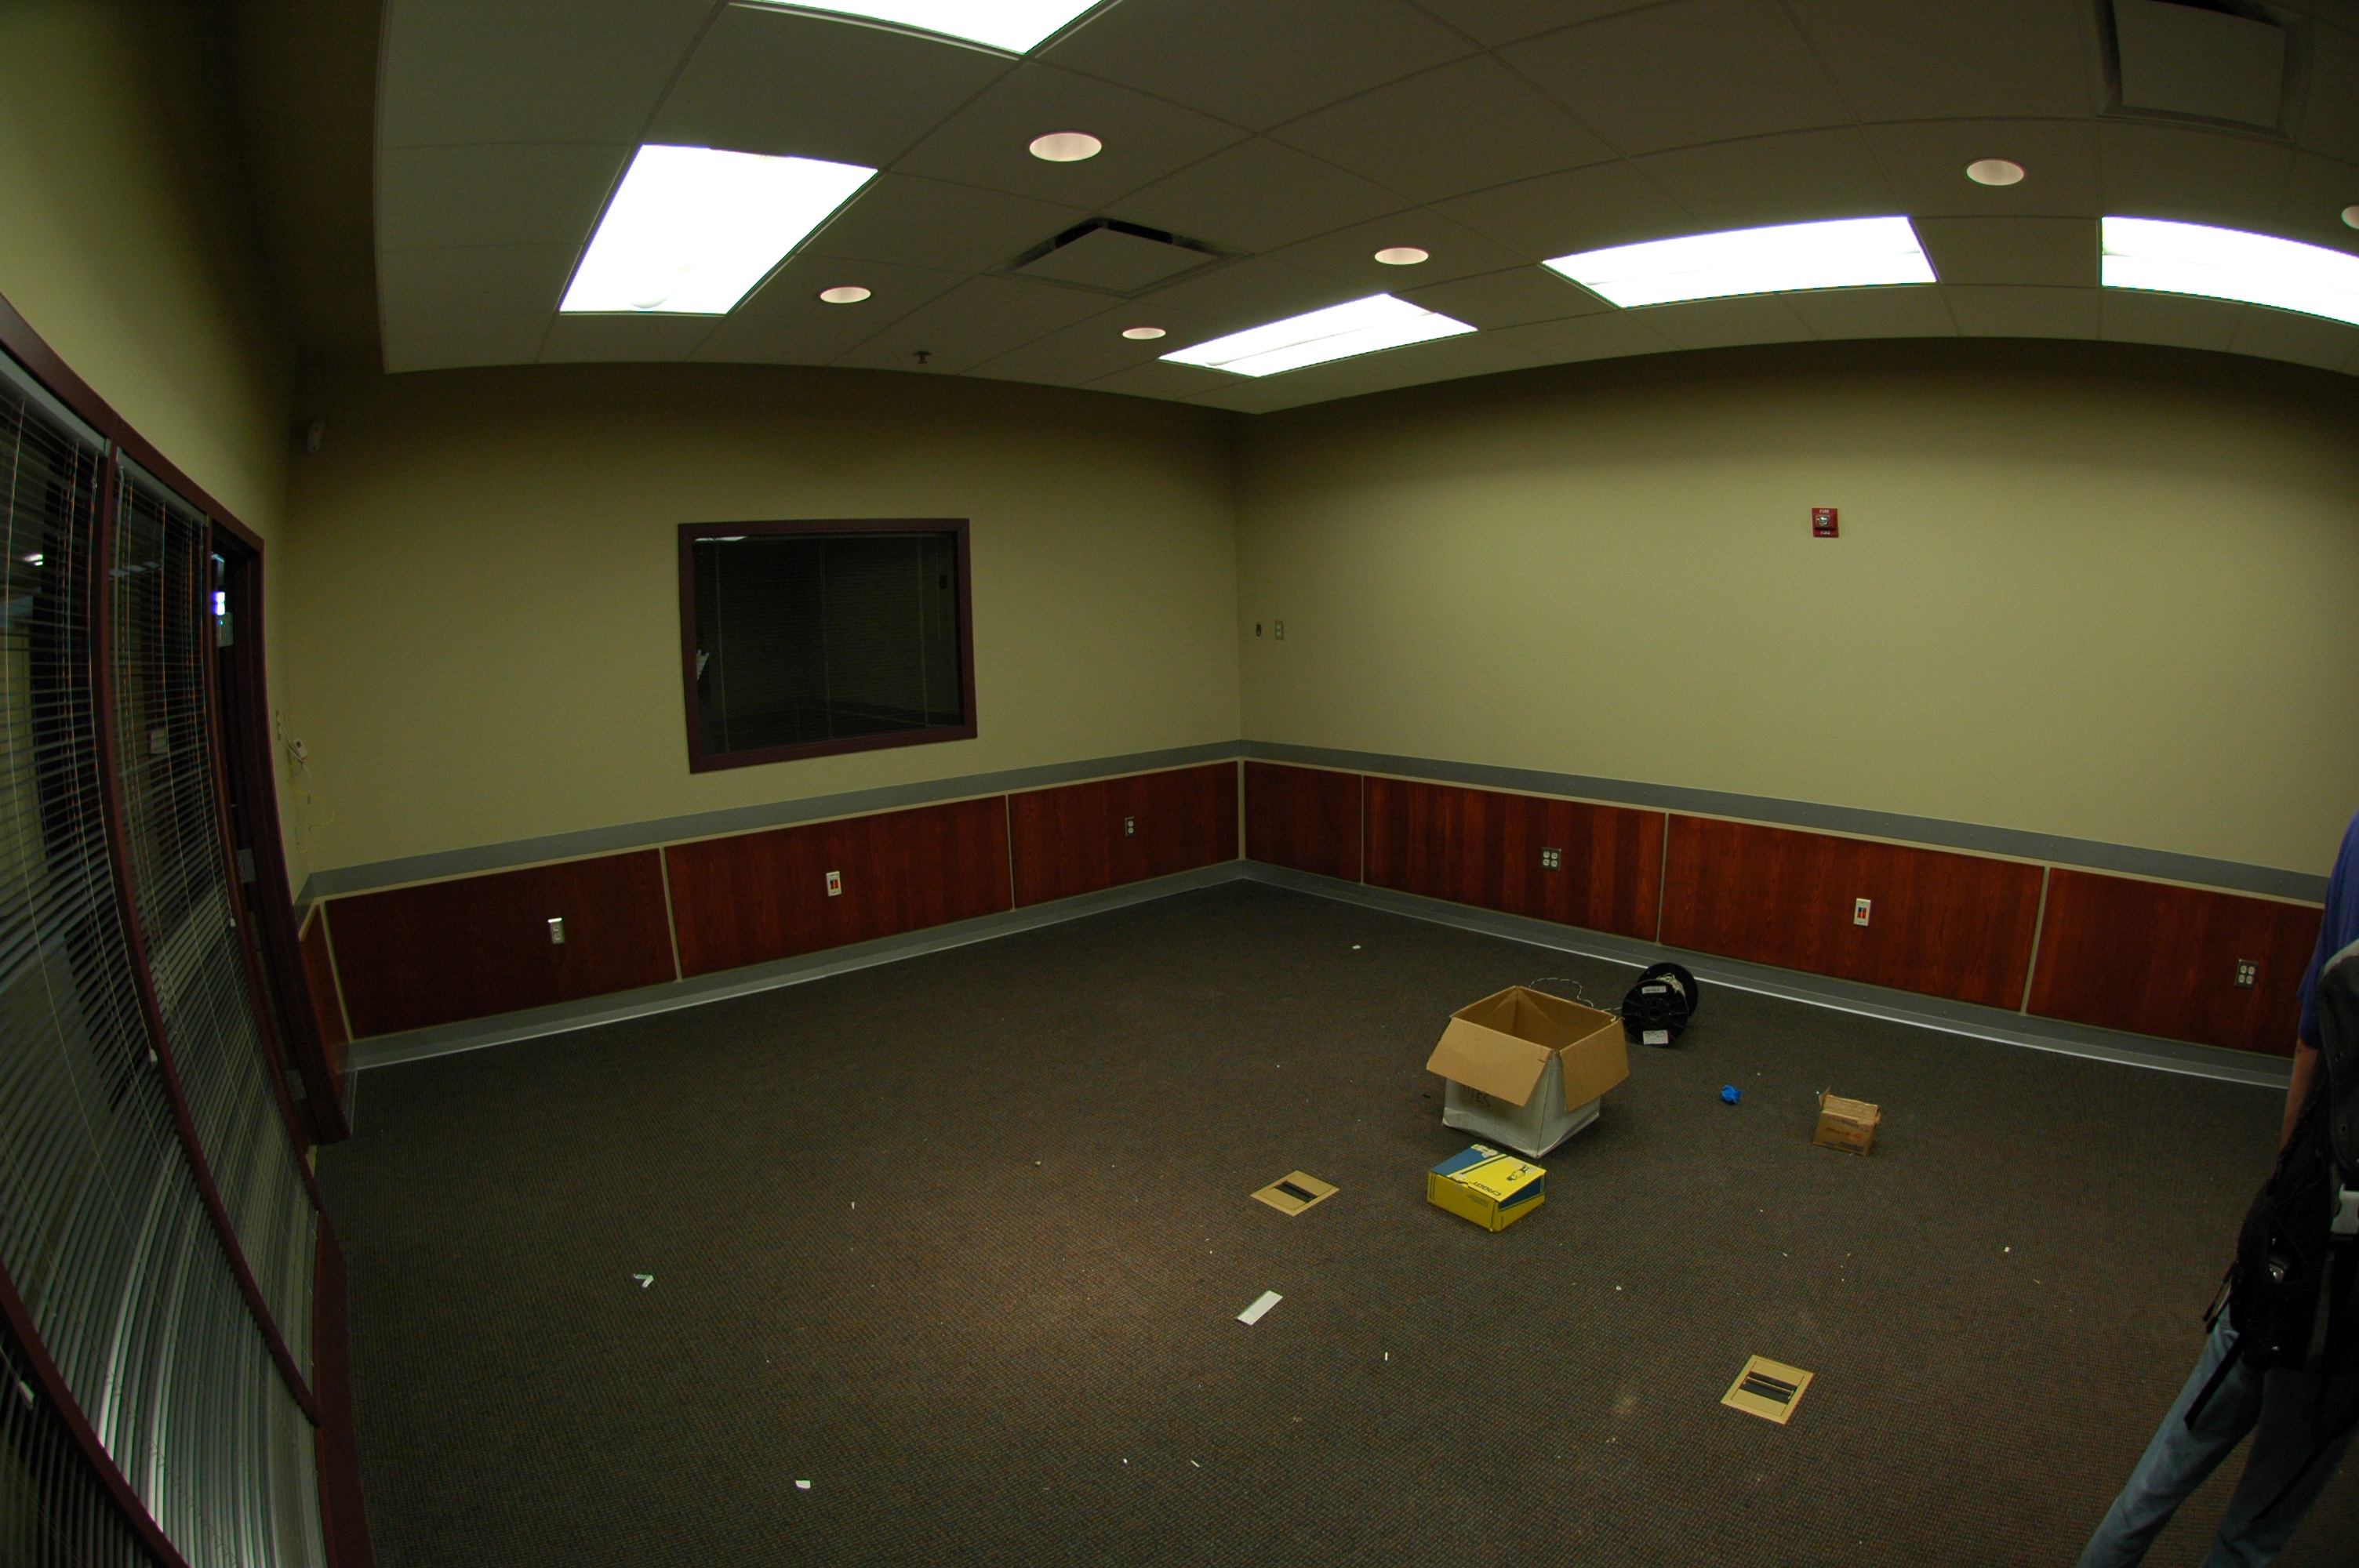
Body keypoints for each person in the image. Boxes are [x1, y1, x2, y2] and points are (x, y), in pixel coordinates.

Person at [2078, 806, 2359, 1566]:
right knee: (2250, 1533)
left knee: (2163, 1471)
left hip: (2293, 1236)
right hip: (2338, 1304)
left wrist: (2283, 1191)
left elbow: (2311, 1033)